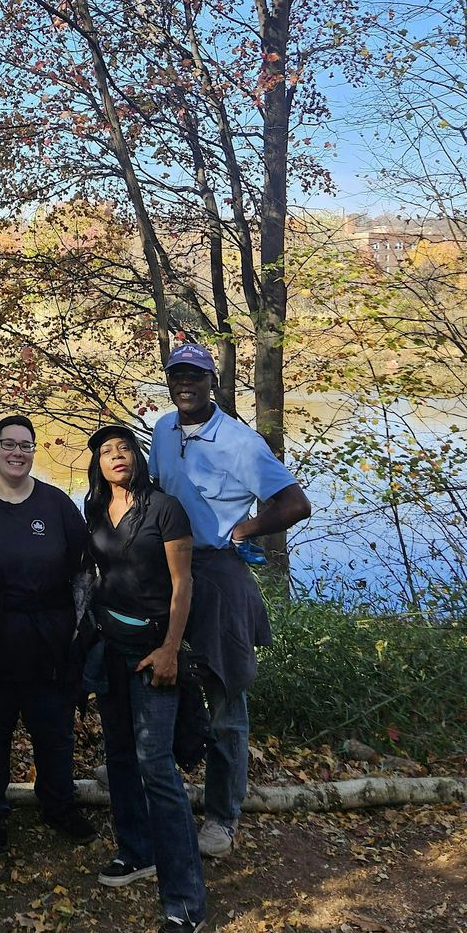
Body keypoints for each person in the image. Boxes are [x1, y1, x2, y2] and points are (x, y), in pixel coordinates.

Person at [149, 344, 311, 859]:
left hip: (218, 573)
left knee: (225, 696)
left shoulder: (241, 442)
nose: (186, 384)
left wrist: (248, 527)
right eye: (178, 375)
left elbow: (295, 502)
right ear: (170, 381)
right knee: (158, 674)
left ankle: (222, 816)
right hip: (168, 568)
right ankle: (154, 773)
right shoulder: (160, 432)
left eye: (196, 376)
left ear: (212, 382)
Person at [85, 422, 206, 933]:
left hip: (154, 652)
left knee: (156, 764)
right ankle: (136, 849)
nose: (117, 457)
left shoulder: (165, 509)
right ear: (98, 462)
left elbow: (184, 584)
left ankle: (184, 900)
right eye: (107, 452)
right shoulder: (93, 509)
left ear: (138, 456)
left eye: (124, 449)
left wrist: (171, 650)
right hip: (110, 649)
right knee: (119, 755)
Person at [0, 414, 96, 855]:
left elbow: (85, 572)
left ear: (34, 452)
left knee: (53, 732)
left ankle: (59, 805)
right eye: (8, 444)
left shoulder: (56, 505)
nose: (17, 452)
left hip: (48, 641)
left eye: (26, 445)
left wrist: (75, 629)